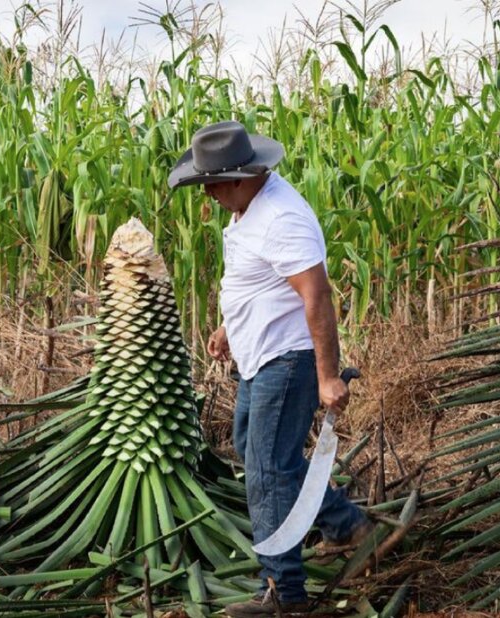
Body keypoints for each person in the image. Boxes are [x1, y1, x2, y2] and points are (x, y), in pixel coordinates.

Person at [168, 121, 372, 617]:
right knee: (255, 451)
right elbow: (256, 283)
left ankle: (285, 592)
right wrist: (226, 328)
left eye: (213, 184)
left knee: (266, 471)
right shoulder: (248, 210)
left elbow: (316, 295)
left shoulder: (282, 217)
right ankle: (346, 524)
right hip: (259, 355)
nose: (209, 193)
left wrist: (327, 376)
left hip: (288, 359)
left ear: (241, 176)